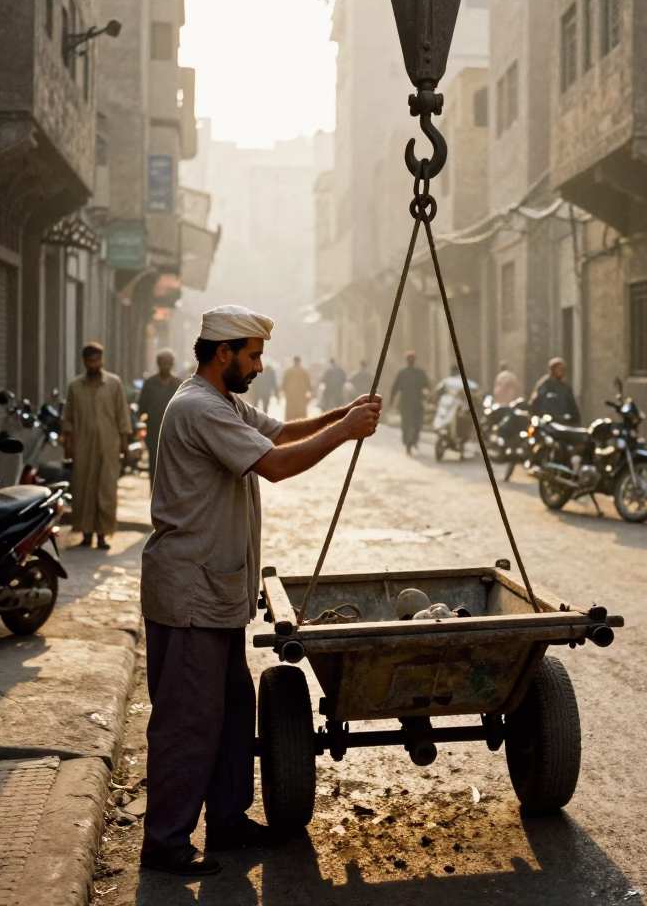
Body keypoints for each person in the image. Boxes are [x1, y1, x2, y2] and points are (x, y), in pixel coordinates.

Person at [138, 305, 382, 876]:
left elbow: (280, 431)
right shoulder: (200, 408)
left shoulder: (222, 401)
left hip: (214, 593)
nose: (260, 366)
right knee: (187, 720)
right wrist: (344, 434)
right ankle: (166, 840)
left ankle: (226, 820)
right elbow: (273, 464)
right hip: (191, 594)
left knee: (230, 712)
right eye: (253, 356)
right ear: (223, 354)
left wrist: (341, 413)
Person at [62, 341, 132, 550]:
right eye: (90, 360)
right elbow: (68, 418)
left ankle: (103, 535)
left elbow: (122, 416)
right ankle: (86, 534)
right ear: (84, 362)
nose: (94, 364)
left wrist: (124, 444)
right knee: (84, 489)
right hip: (83, 447)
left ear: (101, 360)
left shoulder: (113, 383)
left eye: (97, 360)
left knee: (106, 490)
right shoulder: (75, 386)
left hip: (108, 446)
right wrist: (68, 445)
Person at [138, 349, 183, 488]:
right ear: (158, 364)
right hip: (154, 431)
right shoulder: (150, 383)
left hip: (173, 431)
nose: (166, 366)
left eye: (168, 363)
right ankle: (154, 491)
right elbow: (142, 406)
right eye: (163, 363)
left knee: (172, 463)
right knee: (154, 462)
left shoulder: (178, 384)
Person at [390, 350, 430, 454]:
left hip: (416, 401)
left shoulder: (419, 372)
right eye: (409, 358)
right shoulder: (402, 372)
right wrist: (392, 399)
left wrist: (426, 393)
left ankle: (413, 441)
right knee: (406, 424)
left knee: (417, 423)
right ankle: (408, 443)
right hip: (407, 402)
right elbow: (395, 388)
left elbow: (426, 385)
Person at [530, 357, 580, 424]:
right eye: (559, 369)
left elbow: (572, 407)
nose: (561, 372)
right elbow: (535, 404)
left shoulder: (565, 387)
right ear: (553, 369)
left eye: (563, 369)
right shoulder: (544, 385)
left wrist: (574, 419)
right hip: (547, 424)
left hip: (563, 424)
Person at [280, 356, 312, 420]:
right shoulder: (304, 372)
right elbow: (309, 384)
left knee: (290, 416)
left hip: (290, 397)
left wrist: (283, 391)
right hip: (301, 397)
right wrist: (310, 392)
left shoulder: (288, 371)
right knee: (301, 417)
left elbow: (284, 383)